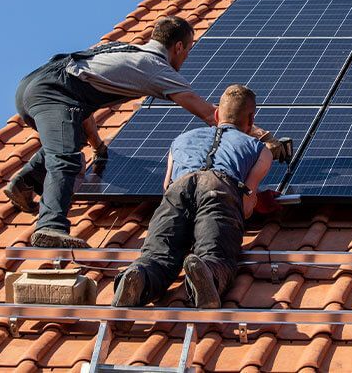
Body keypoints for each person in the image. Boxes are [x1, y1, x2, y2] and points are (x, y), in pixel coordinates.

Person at [7, 16, 286, 248]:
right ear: (178, 46)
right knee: (66, 159)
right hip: (53, 92)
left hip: (37, 85)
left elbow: (80, 110)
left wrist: (98, 147)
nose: (187, 56)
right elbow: (209, 113)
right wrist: (263, 137)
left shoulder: (122, 49)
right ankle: (50, 228)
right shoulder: (155, 68)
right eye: (188, 49)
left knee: (67, 140)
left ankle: (25, 183)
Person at [111, 84, 279, 309]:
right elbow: (246, 204)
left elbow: (166, 187)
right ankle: (207, 272)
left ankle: (140, 276)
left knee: (157, 256)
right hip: (219, 188)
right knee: (216, 254)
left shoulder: (180, 140)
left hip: (179, 188)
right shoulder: (259, 149)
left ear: (217, 114)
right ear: (251, 120)